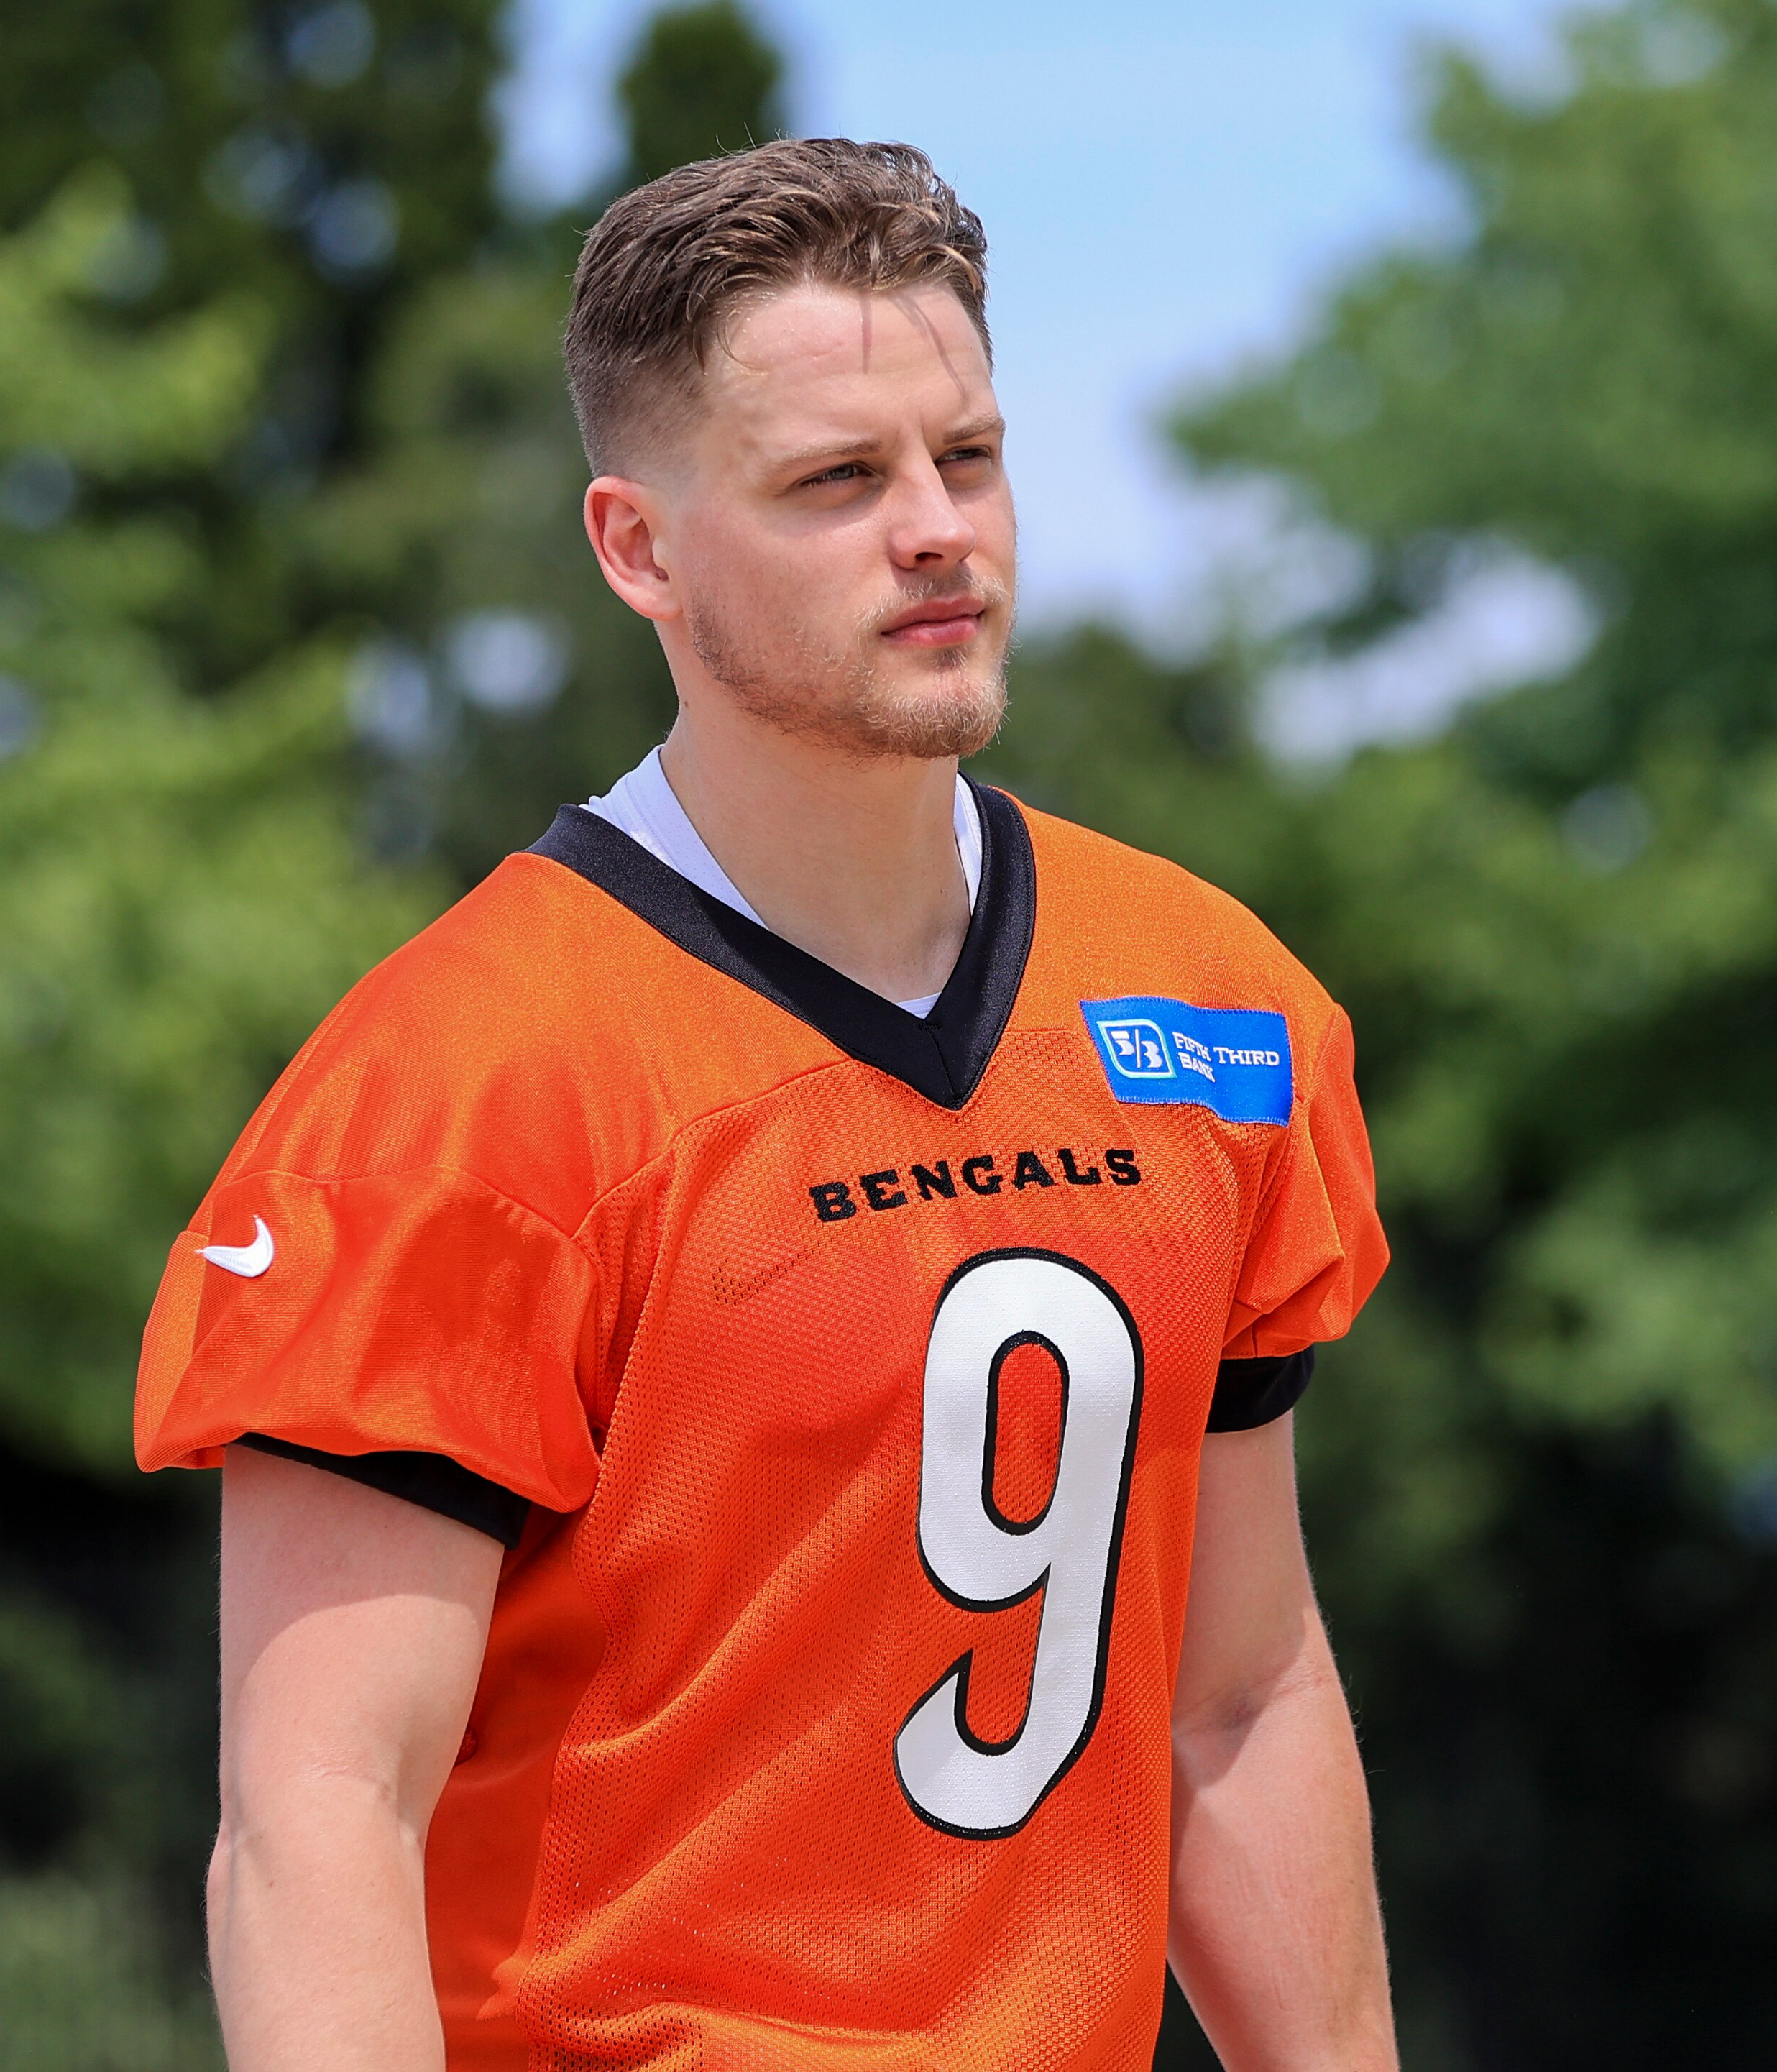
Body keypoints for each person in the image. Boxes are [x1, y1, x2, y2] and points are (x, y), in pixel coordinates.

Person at [134, 139, 1397, 2071]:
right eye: (836, 480)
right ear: (636, 546)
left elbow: (1238, 1696)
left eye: (966, 458)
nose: (936, 530)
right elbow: (317, 1825)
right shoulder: (456, 1091)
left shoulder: (1212, 1002)